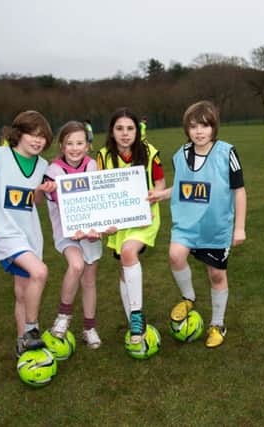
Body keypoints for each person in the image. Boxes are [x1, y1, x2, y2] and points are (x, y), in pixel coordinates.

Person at [149, 101, 246, 348]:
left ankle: (217, 324)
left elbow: (239, 191)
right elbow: (185, 187)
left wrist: (239, 227)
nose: (199, 131)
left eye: (204, 125)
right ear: (187, 129)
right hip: (186, 224)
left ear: (214, 128)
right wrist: (162, 194)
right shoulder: (181, 154)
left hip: (215, 227)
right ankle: (188, 297)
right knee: (175, 255)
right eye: (193, 126)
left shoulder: (227, 152)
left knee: (216, 274)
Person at [0, 110, 56, 357]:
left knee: (23, 292)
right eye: (33, 134)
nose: (37, 140)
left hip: (29, 234)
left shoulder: (43, 165)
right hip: (3, 232)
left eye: (42, 136)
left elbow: (36, 202)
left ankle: (22, 342)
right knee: (40, 272)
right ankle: (32, 330)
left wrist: (43, 189)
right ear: (19, 133)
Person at [96, 108, 166, 348]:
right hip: (118, 222)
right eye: (119, 129)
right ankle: (133, 323)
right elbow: (99, 191)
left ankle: (136, 314)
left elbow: (160, 183)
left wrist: (155, 195)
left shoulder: (149, 152)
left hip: (144, 217)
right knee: (124, 267)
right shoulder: (103, 156)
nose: (125, 134)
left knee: (128, 252)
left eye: (130, 128)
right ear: (112, 132)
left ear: (137, 131)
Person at [44, 121, 103, 349]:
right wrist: (77, 225)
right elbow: (63, 202)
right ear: (61, 145)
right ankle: (63, 315)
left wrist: (98, 226)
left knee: (89, 281)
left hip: (91, 232)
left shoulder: (92, 165)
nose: (75, 148)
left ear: (88, 145)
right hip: (67, 233)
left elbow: (98, 199)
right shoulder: (54, 170)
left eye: (80, 143)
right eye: (70, 143)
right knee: (76, 265)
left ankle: (89, 328)